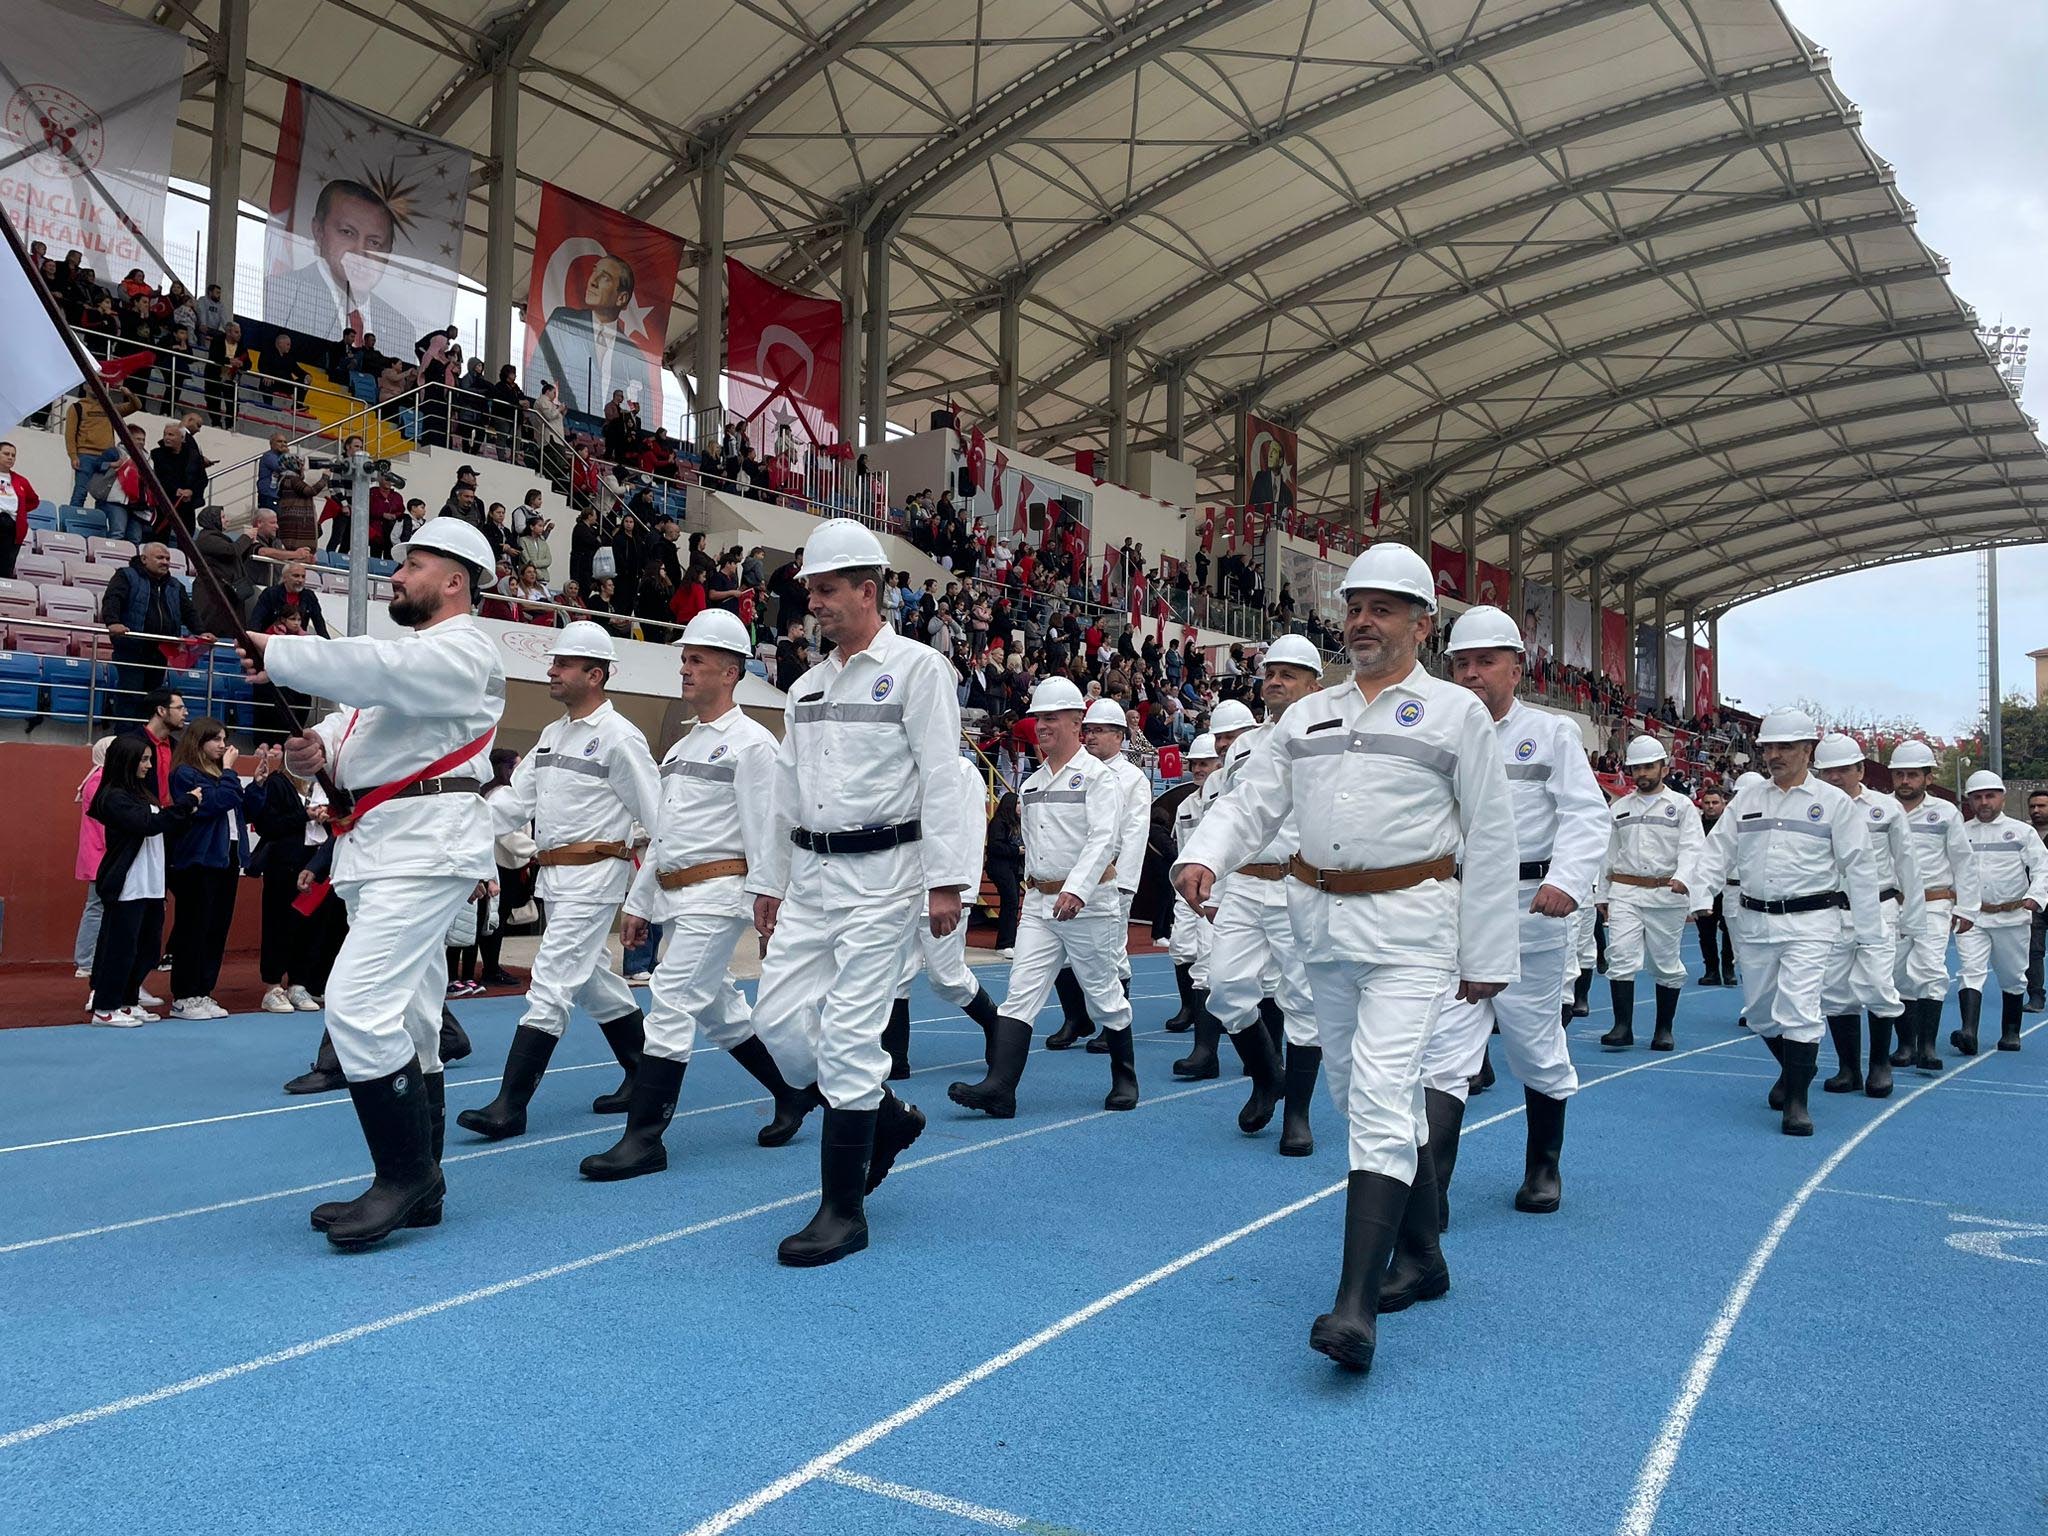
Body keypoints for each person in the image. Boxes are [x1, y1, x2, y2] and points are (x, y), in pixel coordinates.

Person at [1174, 542, 1518, 1376]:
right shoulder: (1307, 715)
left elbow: (1493, 836)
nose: (1363, 620)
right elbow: (1254, 801)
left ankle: (1355, 1306)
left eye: (1384, 608)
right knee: (1346, 1089)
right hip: (1319, 924)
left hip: (1412, 930)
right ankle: (1426, 1257)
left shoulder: (1455, 715)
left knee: (1379, 1095)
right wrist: (1208, 855)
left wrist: (1487, 954)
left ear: (1421, 625)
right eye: (1355, 606)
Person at [236, 518, 506, 1249]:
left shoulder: (464, 650)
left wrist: (281, 650)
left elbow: (381, 675)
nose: (398, 574)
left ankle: (401, 1177)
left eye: (412, 564)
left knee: (356, 1005)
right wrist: (315, 747)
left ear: (455, 580)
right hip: (381, 849)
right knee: (414, 1018)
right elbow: (354, 724)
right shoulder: (410, 656)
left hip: (424, 846)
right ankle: (425, 1183)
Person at [744, 518, 970, 1268]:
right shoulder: (804, 686)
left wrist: (945, 881)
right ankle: (888, 1115)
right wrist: (769, 881)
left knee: (847, 1037)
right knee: (776, 1022)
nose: (815, 602)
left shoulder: (917, 670)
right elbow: (786, 788)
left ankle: (844, 1211)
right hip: (809, 878)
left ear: (868, 590)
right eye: (811, 589)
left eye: (828, 588)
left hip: (885, 879)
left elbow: (943, 778)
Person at [582, 610, 818, 1178]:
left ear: (732, 671)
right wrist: (639, 901)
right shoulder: (682, 749)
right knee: (720, 1009)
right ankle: (793, 1090)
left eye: (696, 660)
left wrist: (768, 898)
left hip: (721, 893)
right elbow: (662, 835)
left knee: (670, 1002)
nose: (684, 670)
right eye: (684, 659)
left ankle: (644, 1138)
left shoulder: (753, 745)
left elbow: (767, 827)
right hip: (678, 895)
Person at [1414, 605, 1607, 1228]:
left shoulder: (1551, 735)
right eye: (1461, 663)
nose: (1471, 674)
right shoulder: (1437, 735)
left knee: (1535, 1048)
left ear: (1516, 668)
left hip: (1530, 910)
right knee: (1443, 1052)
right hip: (1455, 910)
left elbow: (1585, 815)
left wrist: (1567, 881)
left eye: (1485, 662)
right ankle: (1433, 1192)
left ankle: (1543, 1165)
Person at [456, 622, 662, 1139]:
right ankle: (642, 1072)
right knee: (592, 982)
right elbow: (514, 802)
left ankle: (510, 1105)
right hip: (556, 879)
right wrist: (463, 816)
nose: (551, 670)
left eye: (563, 664)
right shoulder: (551, 735)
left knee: (549, 984)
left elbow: (659, 820)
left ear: (595, 675)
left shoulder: (620, 738)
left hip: (595, 878)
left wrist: (646, 893)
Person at [948, 678, 1134, 1121]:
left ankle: (1125, 1076)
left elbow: (1104, 840)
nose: (1041, 726)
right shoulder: (1030, 785)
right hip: (1040, 904)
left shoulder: (1099, 778)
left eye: (1051, 718)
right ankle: (1001, 1088)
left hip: (1089, 903)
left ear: (1077, 722)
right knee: (1020, 994)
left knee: (1104, 996)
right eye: (1038, 718)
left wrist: (1077, 889)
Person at [1690, 709, 1880, 1136]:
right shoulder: (1748, 799)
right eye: (1768, 748)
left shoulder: (1834, 804)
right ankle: (1799, 1069)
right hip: (1755, 921)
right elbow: (1716, 850)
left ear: (1807, 751)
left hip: (1812, 922)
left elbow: (1861, 868)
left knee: (1798, 1008)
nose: (1774, 755)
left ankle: (1797, 1103)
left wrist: (1869, 933)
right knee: (1760, 1014)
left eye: (1784, 747)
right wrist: (1700, 893)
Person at [1810, 734, 1920, 1097]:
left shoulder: (1886, 810)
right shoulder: (1812, 808)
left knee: (1876, 985)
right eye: (1827, 771)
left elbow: (1907, 865)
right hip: (1830, 910)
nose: (1836, 778)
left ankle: (1879, 1065)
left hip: (1879, 907)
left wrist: (1913, 919)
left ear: (1861, 769)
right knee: (1836, 991)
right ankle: (1848, 1069)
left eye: (1844, 769)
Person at [884, 753, 1003, 1081]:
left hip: (942, 891)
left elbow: (969, 834)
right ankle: (895, 1057)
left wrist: (959, 892)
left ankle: (995, 1024)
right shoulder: (900, 767)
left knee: (947, 977)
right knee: (895, 973)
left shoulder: (962, 770)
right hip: (901, 889)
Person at [1596, 735, 1703, 1051]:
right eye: (1636, 768)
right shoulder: (1620, 808)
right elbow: (1609, 853)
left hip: (1665, 893)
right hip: (1625, 891)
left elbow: (1693, 848)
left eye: (1648, 767)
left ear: (1663, 767)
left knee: (1665, 962)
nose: (1642, 773)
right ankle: (1622, 1026)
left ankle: (1663, 1029)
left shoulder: (1681, 807)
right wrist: (1602, 894)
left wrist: (1684, 878)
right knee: (1620, 956)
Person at [86, 735, 202, 1026]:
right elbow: (148, 824)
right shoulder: (112, 797)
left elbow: (161, 824)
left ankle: (126, 1001)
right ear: (127, 761)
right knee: (121, 947)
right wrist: (186, 804)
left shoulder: (139, 794)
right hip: (129, 884)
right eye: (144, 760)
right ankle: (105, 1006)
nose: (149, 766)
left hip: (151, 883)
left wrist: (183, 814)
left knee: (147, 947)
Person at [1170, 699, 1257, 1079]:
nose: (1224, 745)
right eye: (1219, 737)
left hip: (1278, 883)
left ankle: (1269, 1064)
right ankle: (1207, 1052)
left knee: (1279, 982)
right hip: (1227, 886)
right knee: (1210, 971)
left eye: (1231, 736)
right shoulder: (1213, 790)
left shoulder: (1274, 768)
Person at [1885, 740, 1978, 1072]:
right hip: (1890, 905)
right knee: (1895, 975)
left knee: (1929, 970)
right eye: (1900, 775)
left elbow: (1964, 862)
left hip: (1933, 903)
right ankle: (1905, 1045)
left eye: (1913, 775)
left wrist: (1967, 908)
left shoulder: (1946, 812)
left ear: (1927, 777)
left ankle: (1927, 1047)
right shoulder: (1880, 808)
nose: (1905, 781)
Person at [1952, 770, 2048, 1056]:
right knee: (1969, 971)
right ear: (1968, 800)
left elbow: (2043, 867)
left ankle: (2010, 1032)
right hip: (1973, 916)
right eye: (1977, 797)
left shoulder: (2022, 832)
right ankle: (1968, 1031)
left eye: (1989, 796)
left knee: (2012, 976)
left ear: (2002, 797)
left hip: (2012, 915)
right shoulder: (1960, 833)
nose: (1984, 802)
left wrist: (2035, 897)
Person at [163, 718, 252, 1019]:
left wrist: (258, 784)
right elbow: (214, 803)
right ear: (198, 742)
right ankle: (184, 995)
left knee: (216, 928)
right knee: (194, 927)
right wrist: (229, 772)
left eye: (224, 738)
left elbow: (239, 805)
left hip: (226, 857)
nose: (223, 745)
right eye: (216, 739)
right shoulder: (185, 774)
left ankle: (203, 991)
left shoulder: (221, 775)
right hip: (198, 859)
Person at [265, 177, 413, 344]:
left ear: (388, 254)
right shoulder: (281, 292)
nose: (359, 252)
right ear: (319, 231)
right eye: (347, 232)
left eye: (374, 242)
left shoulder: (401, 329)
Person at [530, 252, 660, 415]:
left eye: (605, 277)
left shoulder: (634, 355)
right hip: (565, 424)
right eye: (594, 272)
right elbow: (536, 379)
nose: (593, 281)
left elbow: (644, 413)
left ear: (621, 298)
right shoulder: (562, 321)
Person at [101, 546, 206, 721]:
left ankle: (145, 741)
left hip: (161, 652)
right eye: (159, 558)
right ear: (144, 559)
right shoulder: (126, 576)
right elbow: (113, 599)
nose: (165, 562)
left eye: (167, 558)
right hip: (132, 649)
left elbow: (189, 612)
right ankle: (125, 740)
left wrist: (202, 632)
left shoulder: (175, 585)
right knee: (130, 696)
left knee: (153, 699)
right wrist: (113, 622)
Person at [1160, 732, 1222, 1031]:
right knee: (1181, 947)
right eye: (1194, 763)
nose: (1198, 769)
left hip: (1217, 888)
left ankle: (1212, 1014)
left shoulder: (1227, 799)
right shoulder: (1184, 805)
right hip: (1187, 892)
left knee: (1210, 952)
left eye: (1205, 763)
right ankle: (1188, 1007)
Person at [1692, 784, 1738, 986]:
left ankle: (1728, 970)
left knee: (1729, 931)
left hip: (1730, 885)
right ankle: (1711, 970)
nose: (1710, 806)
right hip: (1705, 885)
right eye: (1707, 803)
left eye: (1715, 803)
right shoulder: (1695, 826)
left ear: (1724, 804)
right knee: (1706, 931)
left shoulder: (1732, 825)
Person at [986, 788, 1024, 955]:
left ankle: (1010, 941)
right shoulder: (999, 823)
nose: (1020, 807)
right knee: (1010, 901)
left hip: (1012, 867)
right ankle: (1004, 943)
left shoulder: (1017, 824)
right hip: (1000, 866)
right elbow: (995, 846)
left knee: (1013, 903)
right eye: (1017, 803)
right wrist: (1017, 851)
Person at [0, 441, 41, 580]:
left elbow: (34, 501)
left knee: (5, 569)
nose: (10, 457)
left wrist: (21, 511)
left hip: (12, 528)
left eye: (13, 455)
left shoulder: (20, 480)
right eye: (6, 454)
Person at [2027, 789, 2048, 1013]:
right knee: (2033, 950)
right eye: (2033, 806)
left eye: (2041, 806)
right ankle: (2036, 996)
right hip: (2035, 901)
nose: (2036, 810)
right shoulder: (2024, 835)